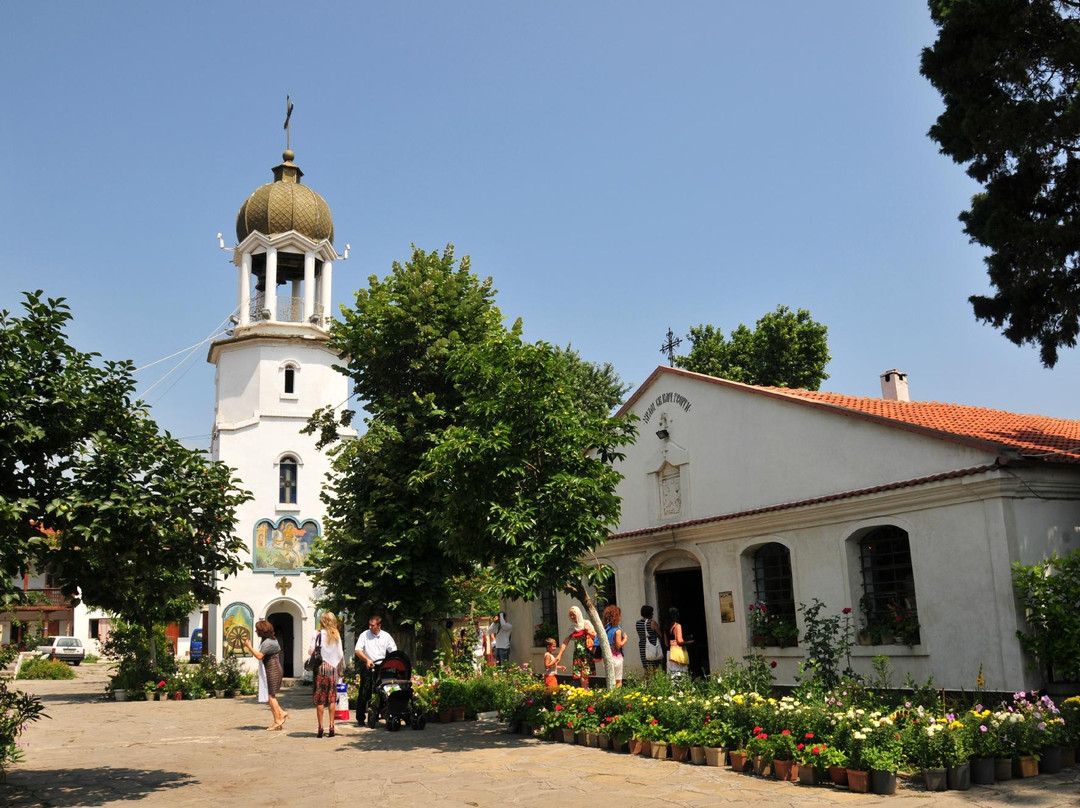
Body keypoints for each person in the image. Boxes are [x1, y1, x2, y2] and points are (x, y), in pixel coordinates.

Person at [243, 620, 287, 730]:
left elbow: (259, 656)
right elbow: (278, 649)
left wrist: (249, 646)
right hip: (273, 668)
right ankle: (281, 714)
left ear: (262, 631)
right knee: (270, 697)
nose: (256, 631)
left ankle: (278, 720)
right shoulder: (272, 640)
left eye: (257, 629)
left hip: (273, 669)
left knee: (271, 697)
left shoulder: (268, 642)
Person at [354, 615, 397, 725]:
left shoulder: (386, 636)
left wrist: (392, 662)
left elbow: (393, 651)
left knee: (384, 689)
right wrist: (367, 659)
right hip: (369, 665)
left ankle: (383, 712)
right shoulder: (364, 635)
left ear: (379, 625)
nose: (370, 627)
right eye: (369, 625)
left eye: (372, 625)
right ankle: (360, 717)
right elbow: (358, 650)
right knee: (365, 690)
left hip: (382, 666)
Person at [309, 611, 344, 738]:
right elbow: (340, 654)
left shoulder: (317, 633)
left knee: (320, 699)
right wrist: (340, 670)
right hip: (333, 670)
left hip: (320, 669)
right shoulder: (336, 635)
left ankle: (320, 727)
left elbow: (310, 650)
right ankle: (331, 726)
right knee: (331, 698)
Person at [562, 605, 597, 689]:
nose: (572, 616)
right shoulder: (572, 627)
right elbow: (565, 641)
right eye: (570, 615)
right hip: (577, 654)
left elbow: (596, 636)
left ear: (578, 614)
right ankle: (584, 692)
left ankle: (585, 691)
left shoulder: (586, 623)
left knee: (585, 675)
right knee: (580, 675)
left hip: (586, 653)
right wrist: (559, 655)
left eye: (574, 614)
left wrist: (588, 632)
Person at [601, 604, 628, 686]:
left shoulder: (605, 629)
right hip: (616, 658)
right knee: (618, 681)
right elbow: (618, 645)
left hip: (606, 657)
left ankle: (610, 695)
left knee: (610, 680)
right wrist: (625, 639)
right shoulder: (617, 630)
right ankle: (617, 697)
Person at [636, 605, 663, 678]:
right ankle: (655, 684)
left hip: (643, 648)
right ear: (650, 613)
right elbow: (660, 635)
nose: (653, 614)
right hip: (653, 648)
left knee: (646, 669)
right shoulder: (652, 623)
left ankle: (646, 686)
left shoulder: (638, 623)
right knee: (655, 668)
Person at [666, 606, 691, 677]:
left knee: (671, 675)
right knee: (680, 675)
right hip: (677, 653)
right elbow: (679, 641)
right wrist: (688, 642)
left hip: (669, 653)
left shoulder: (666, 626)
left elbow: (666, 643)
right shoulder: (677, 626)